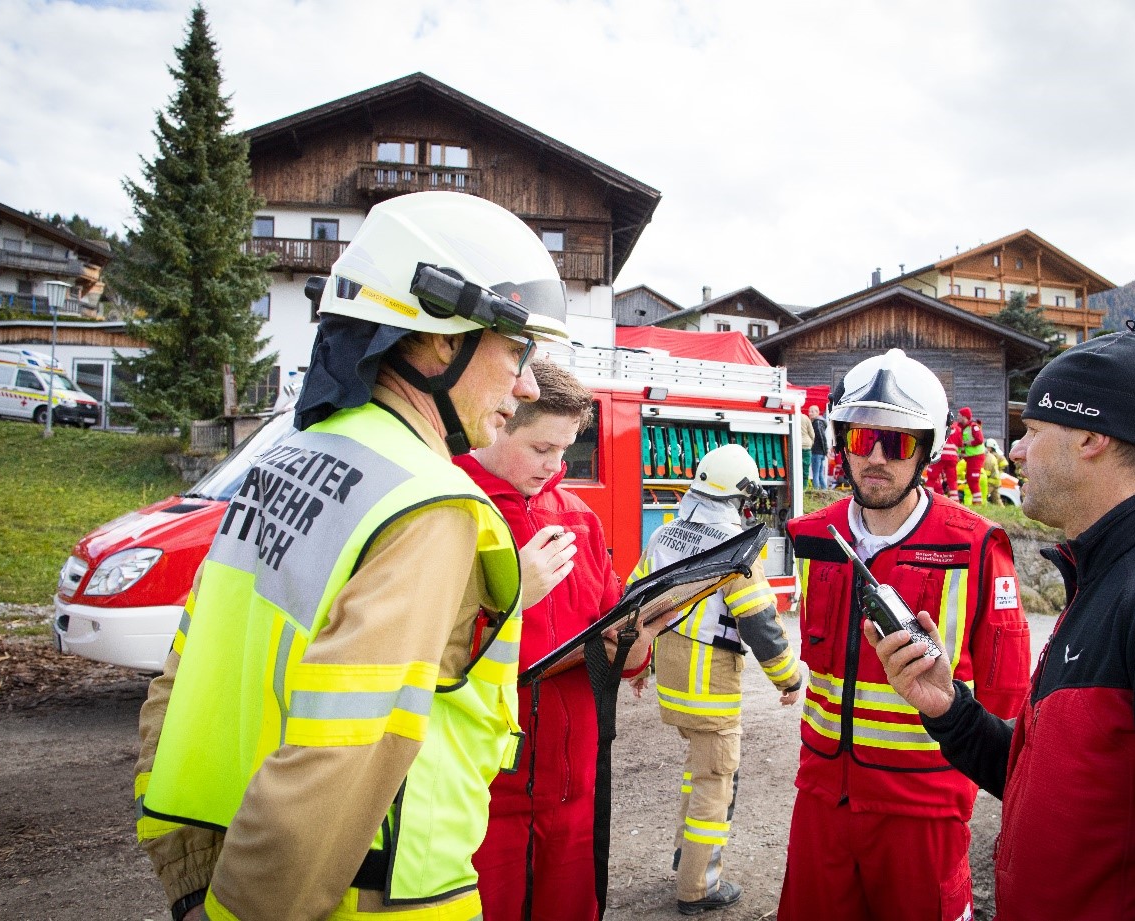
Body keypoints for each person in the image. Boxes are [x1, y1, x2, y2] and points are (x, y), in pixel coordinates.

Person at [134, 191, 575, 921]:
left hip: (224, 863)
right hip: (375, 893)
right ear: (440, 338)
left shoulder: (289, 457)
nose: (526, 385)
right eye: (518, 350)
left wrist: (193, 874)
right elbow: (340, 756)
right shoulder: (430, 505)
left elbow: (180, 677)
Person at [874, 328, 1135, 920]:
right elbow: (1056, 785)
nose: (1014, 451)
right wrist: (950, 710)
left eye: (1033, 431)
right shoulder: (1108, 576)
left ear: (1092, 437)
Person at [778, 349, 1032, 921]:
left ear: (928, 449)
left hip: (924, 810)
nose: (874, 458)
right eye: (861, 439)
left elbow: (1006, 696)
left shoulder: (974, 546)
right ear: (840, 442)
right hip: (821, 800)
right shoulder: (812, 536)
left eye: (896, 443)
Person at [454, 359, 655, 921]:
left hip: (575, 791)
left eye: (565, 449)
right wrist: (510, 594)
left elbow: (619, 646)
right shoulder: (450, 511)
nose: (556, 466)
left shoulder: (578, 521)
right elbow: (420, 654)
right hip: (483, 799)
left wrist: (635, 643)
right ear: (498, 421)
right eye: (542, 448)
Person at [631, 444, 802, 915]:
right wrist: (788, 680)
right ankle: (698, 888)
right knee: (714, 781)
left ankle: (686, 856)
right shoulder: (738, 550)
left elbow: (637, 600)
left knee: (697, 771)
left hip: (670, 671)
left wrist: (639, 664)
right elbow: (760, 623)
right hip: (710, 684)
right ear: (740, 494)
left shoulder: (667, 534)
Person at [957, 405, 988, 504]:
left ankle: (977, 503)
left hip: (976, 456)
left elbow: (979, 440)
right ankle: (976, 502)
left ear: (964, 416)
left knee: (973, 479)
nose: (958, 417)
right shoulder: (963, 428)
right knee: (970, 479)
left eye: (959, 415)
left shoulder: (973, 427)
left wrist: (966, 443)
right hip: (969, 457)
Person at [926, 410, 961, 498]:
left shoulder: (939, 425)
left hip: (940, 455)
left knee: (932, 478)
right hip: (952, 457)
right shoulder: (957, 428)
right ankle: (955, 500)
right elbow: (960, 443)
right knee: (952, 480)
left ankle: (928, 497)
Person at [807, 405, 830, 489]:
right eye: (809, 411)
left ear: (817, 412)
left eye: (813, 411)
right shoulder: (819, 422)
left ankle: (815, 490)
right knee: (820, 473)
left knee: (815, 473)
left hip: (817, 452)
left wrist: (826, 450)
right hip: (821, 452)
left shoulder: (817, 423)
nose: (810, 413)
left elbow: (822, 437)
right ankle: (824, 490)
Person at [799, 404, 816, 487]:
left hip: (795, 445)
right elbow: (812, 433)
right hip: (806, 445)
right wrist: (811, 442)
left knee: (796, 468)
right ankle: (804, 487)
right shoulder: (805, 418)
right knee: (805, 468)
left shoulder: (790, 416)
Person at [983, 436, 1004, 505]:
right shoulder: (993, 456)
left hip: (991, 481)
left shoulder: (989, 458)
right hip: (996, 480)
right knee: (996, 498)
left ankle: (984, 507)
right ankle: (1001, 509)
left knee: (984, 494)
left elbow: (987, 473)